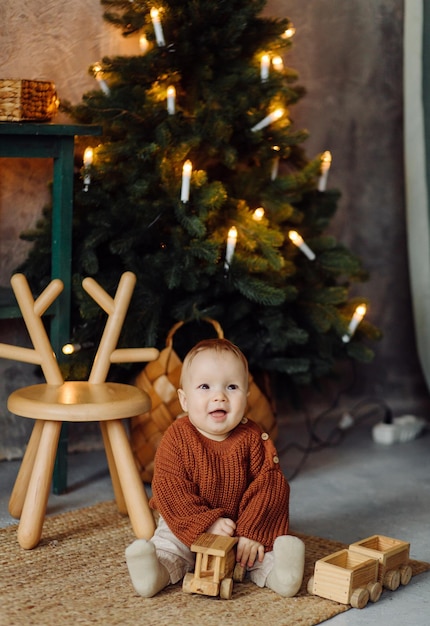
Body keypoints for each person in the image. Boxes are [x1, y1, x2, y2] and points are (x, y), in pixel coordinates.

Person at [126, 338, 305, 598]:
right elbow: (169, 487)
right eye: (205, 386)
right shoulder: (177, 437)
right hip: (188, 521)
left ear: (246, 397)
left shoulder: (253, 438)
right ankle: (154, 572)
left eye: (231, 387)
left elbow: (270, 485)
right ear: (185, 400)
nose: (219, 396)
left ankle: (282, 575)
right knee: (170, 545)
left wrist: (251, 531)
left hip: (239, 525)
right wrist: (205, 524)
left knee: (258, 551)